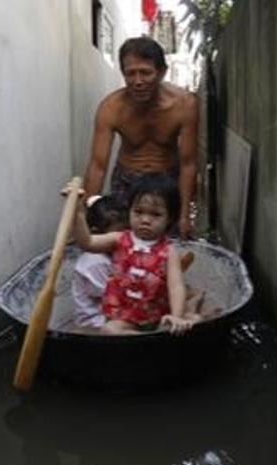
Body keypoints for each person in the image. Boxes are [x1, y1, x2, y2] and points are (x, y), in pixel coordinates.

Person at [83, 36, 199, 239]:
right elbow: (97, 166)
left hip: (167, 179)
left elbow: (188, 164)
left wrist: (184, 216)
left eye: (145, 73)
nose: (138, 81)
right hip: (127, 181)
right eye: (130, 74)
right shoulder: (111, 108)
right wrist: (86, 215)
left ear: (162, 72)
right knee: (121, 242)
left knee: (167, 244)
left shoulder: (184, 105)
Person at [71, 174, 196, 335]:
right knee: (109, 329)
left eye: (155, 215)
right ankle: (145, 340)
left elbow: (175, 286)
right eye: (138, 212)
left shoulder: (168, 251)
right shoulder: (118, 239)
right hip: (124, 319)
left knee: (191, 321)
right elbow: (86, 242)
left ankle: (156, 334)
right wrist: (78, 214)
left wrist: (176, 316)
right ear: (129, 210)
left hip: (157, 317)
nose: (145, 220)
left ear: (169, 219)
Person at [71, 195, 127, 328]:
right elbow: (113, 300)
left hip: (118, 312)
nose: (124, 240)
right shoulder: (95, 262)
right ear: (96, 233)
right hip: (97, 321)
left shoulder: (117, 253)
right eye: (118, 234)